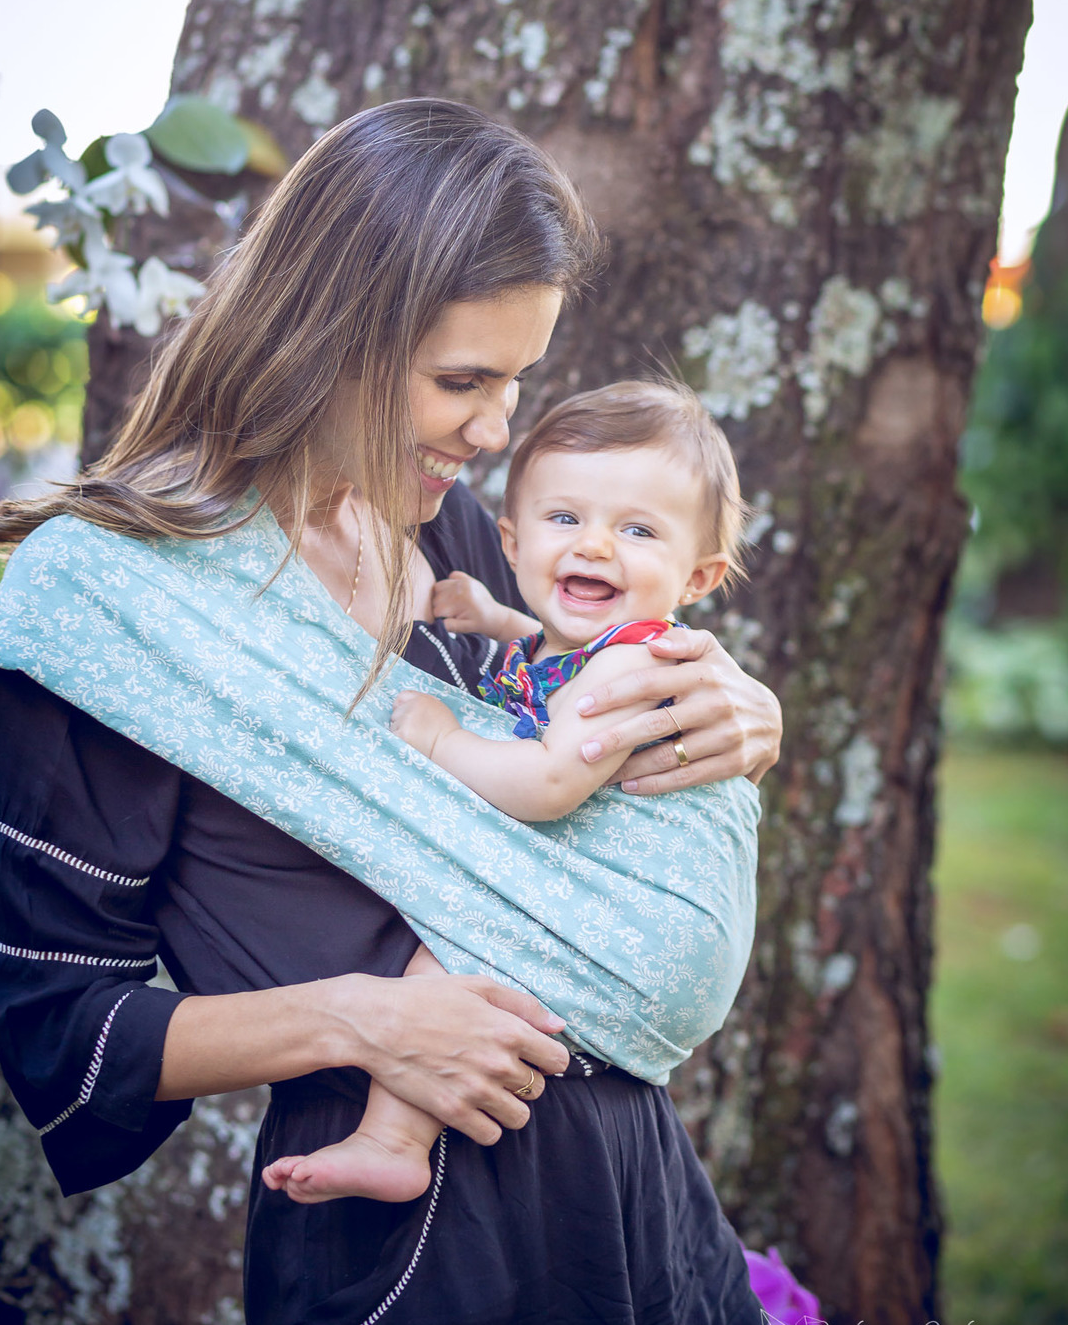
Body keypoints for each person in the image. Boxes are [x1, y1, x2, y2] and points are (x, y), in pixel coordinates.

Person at [0, 101, 782, 1325]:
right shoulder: (114, 608)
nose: (493, 433)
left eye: (515, 383)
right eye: (463, 383)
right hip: (414, 1267)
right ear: (331, 336)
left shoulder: (453, 539)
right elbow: (63, 1030)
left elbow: (580, 713)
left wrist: (741, 709)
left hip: (631, 1207)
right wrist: (364, 1020)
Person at [265, 378, 758, 1208]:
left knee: (454, 954)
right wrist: (499, 621)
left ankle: (393, 1141)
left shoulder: (636, 664)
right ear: (512, 537)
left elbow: (551, 781)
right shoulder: (598, 648)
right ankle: (393, 1142)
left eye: (637, 530)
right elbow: (553, 667)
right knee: (453, 955)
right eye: (565, 520)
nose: (595, 546)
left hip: (647, 933)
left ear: (699, 575)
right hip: (660, 943)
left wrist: (440, 740)